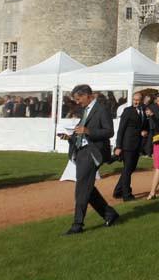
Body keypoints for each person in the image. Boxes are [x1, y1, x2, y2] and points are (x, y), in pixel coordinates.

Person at [58, 84, 118, 235]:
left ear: (87, 95)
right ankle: (109, 214)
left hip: (93, 152)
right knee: (87, 187)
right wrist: (70, 137)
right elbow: (81, 132)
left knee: (81, 188)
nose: (77, 102)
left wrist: (88, 131)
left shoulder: (102, 109)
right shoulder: (86, 110)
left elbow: (109, 131)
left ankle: (77, 224)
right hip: (82, 151)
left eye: (78, 99)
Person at [112, 92, 148, 201]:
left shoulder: (144, 111)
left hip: (137, 145)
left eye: (138, 100)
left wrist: (144, 131)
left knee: (130, 169)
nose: (136, 101)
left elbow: (144, 125)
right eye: (134, 99)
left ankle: (118, 191)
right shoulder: (128, 111)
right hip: (127, 145)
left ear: (142, 100)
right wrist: (118, 146)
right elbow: (121, 130)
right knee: (128, 169)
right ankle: (127, 195)